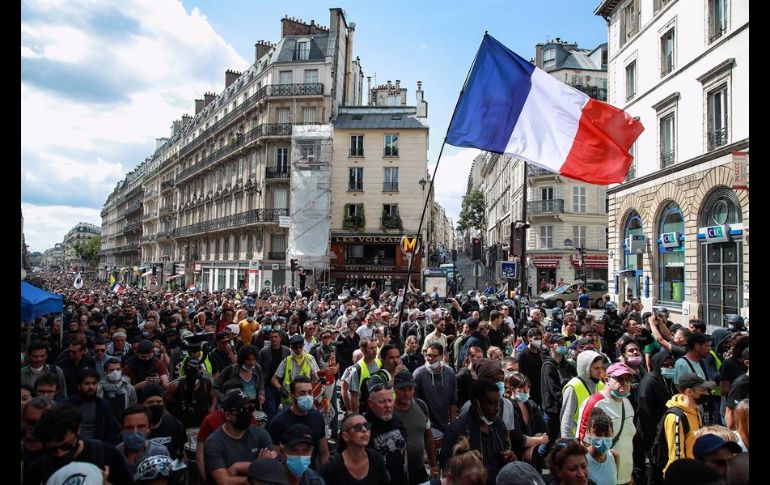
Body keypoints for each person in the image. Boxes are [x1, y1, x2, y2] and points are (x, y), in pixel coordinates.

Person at [22, 404, 133, 485]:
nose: (60, 454)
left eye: (66, 446)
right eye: (52, 449)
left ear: (78, 430)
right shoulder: (38, 470)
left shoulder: (107, 455)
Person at [440, 379, 514, 484]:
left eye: (498, 403)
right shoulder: (457, 431)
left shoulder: (498, 424)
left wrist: (508, 458)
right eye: (491, 403)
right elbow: (447, 471)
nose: (497, 408)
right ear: (476, 403)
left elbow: (505, 449)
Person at [575, 362, 636, 485]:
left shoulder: (627, 403)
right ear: (607, 379)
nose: (624, 383)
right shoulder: (595, 403)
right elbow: (582, 442)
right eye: (619, 379)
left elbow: (627, 440)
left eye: (628, 379)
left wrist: (629, 475)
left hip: (625, 477)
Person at [204, 390, 275, 484]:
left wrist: (238, 466)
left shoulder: (260, 434)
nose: (247, 413)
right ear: (228, 415)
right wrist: (254, 478)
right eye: (242, 410)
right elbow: (224, 482)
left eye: (250, 409)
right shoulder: (214, 442)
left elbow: (272, 463)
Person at [268, 376, 330, 470]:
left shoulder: (317, 418)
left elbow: (324, 452)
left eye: (310, 392)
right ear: (292, 396)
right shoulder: (279, 422)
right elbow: (274, 456)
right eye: (302, 393)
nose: (307, 396)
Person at [658, 373, 713, 475]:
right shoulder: (676, 417)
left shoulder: (696, 411)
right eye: (703, 390)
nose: (707, 393)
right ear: (689, 391)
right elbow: (676, 455)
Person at [391, 370, 438, 485]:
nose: (407, 394)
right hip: (396, 475)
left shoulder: (421, 406)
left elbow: (428, 437)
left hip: (419, 470)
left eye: (410, 389)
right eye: (402, 389)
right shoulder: (388, 411)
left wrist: (434, 465)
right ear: (394, 388)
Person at [319, 413, 389, 485]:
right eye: (357, 427)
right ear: (346, 436)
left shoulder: (376, 459)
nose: (364, 429)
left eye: (367, 425)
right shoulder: (332, 467)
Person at [365, 381, 409, 484]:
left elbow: (405, 453)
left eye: (390, 400)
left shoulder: (397, 421)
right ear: (370, 403)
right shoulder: (363, 427)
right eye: (382, 402)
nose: (388, 405)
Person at [62, 367, 121, 444]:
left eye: (94, 383)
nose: (91, 387)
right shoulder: (68, 405)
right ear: (79, 386)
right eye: (87, 384)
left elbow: (113, 429)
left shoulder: (102, 405)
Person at [540, 334, 576, 456]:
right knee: (547, 442)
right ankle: (538, 465)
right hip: (553, 411)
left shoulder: (567, 365)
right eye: (558, 343)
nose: (562, 346)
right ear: (551, 346)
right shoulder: (548, 366)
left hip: (564, 409)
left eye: (563, 343)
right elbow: (554, 391)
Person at [413, 343, 458, 433]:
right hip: (427, 426)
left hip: (445, 424)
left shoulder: (449, 372)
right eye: (428, 355)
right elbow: (414, 403)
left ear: (441, 357)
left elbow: (453, 399)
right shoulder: (418, 374)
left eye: (434, 356)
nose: (430, 359)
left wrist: (453, 424)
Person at [560, 350, 605, 439]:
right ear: (586, 369)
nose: (600, 372)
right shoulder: (573, 387)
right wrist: (572, 447)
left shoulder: (601, 384)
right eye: (596, 368)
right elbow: (566, 422)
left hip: (596, 439)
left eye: (601, 367)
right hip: (577, 441)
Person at [116, 404, 170, 476]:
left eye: (141, 427)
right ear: (122, 429)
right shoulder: (115, 454)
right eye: (129, 427)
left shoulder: (160, 452)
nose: (135, 432)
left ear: (150, 428)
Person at [165, 357, 215, 429]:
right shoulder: (175, 385)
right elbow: (163, 402)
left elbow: (214, 395)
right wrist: (169, 417)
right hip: (181, 426)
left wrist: (212, 407)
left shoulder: (206, 384)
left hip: (201, 425)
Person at [272, 335, 320, 409]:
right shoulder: (286, 360)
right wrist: (281, 389)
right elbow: (274, 379)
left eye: (300, 347)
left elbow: (315, 379)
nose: (298, 350)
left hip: (305, 398)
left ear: (303, 346)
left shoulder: (310, 359)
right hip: (289, 399)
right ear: (291, 348)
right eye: (295, 348)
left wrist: (318, 379)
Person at [140, 384, 187, 459]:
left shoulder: (174, 424)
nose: (155, 405)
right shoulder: (134, 427)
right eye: (150, 402)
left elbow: (181, 452)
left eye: (159, 402)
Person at [345, 337, 381, 414]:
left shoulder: (379, 363)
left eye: (375, 347)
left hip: (380, 409)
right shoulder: (356, 369)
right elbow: (354, 398)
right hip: (365, 412)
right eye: (371, 348)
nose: (375, 351)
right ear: (363, 350)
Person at [97, 357, 138, 422]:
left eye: (118, 369)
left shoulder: (129, 389)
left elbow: (133, 408)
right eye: (112, 370)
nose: (115, 372)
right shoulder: (99, 389)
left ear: (121, 370)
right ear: (105, 372)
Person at [585, 408, 618, 485]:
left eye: (606, 434)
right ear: (588, 433)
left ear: (613, 433)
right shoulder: (582, 459)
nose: (602, 438)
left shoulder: (615, 456)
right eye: (598, 434)